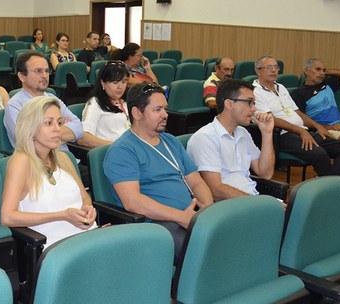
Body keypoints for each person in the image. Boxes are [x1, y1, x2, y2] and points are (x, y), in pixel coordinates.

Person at [103, 82, 213, 262]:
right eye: (157, 110)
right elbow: (133, 202)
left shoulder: (171, 141)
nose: (165, 114)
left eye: (165, 109)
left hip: (189, 216)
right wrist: (182, 217)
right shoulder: (123, 150)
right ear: (137, 113)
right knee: (206, 254)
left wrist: (207, 210)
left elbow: (196, 182)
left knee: (229, 239)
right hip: (157, 224)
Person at [1, 96, 97, 248]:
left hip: (87, 237)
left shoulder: (64, 158)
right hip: (56, 246)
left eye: (59, 122)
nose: (57, 129)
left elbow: (85, 198)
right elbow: (8, 217)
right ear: (31, 127)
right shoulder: (21, 161)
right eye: (49, 123)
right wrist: (62, 215)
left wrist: (88, 210)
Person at [252, 55, 340, 177]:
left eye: (276, 67)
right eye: (269, 67)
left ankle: (332, 181)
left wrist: (319, 127)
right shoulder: (255, 92)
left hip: (301, 131)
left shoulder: (281, 87)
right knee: (319, 153)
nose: (274, 70)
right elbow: (271, 120)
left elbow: (298, 113)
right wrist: (301, 131)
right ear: (258, 71)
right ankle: (331, 184)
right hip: (282, 136)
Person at [187, 79, 275, 199]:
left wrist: (267, 133)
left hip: (250, 198)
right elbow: (216, 189)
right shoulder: (205, 137)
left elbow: (266, 173)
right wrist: (257, 202)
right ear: (229, 104)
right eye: (249, 102)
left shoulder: (243, 133)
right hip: (229, 205)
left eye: (254, 103)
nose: (254, 108)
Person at [4, 52, 83, 151]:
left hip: (65, 156)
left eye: (46, 71)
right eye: (38, 71)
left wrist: (42, 134)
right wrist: (62, 130)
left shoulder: (53, 99)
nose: (45, 75)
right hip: (36, 159)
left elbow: (78, 127)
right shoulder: (15, 105)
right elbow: (25, 141)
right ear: (22, 76)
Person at [291, 58, 340, 148]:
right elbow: (301, 121)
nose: (322, 73)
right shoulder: (299, 94)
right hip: (323, 130)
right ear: (307, 71)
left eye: (323, 70)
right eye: (318, 69)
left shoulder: (327, 84)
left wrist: (324, 72)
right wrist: (330, 127)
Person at [78, 61, 131, 148]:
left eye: (123, 82)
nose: (120, 87)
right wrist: (117, 147)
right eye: (115, 82)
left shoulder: (126, 101)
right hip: (110, 151)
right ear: (103, 82)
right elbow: (83, 139)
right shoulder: (95, 103)